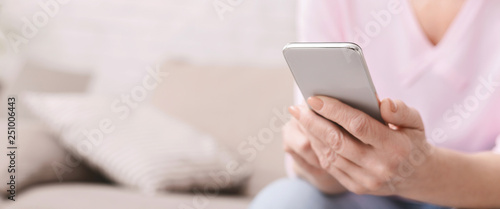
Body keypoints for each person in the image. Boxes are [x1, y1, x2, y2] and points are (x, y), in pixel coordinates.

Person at [250, 0, 500, 208]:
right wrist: (321, 160)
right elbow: (321, 175)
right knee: (286, 202)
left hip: (477, 194)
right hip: (364, 195)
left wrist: (425, 173)